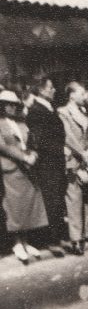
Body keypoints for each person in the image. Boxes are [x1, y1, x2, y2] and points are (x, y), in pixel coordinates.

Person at [0, 90, 46, 263]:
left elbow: (31, 141)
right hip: (11, 169)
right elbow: (4, 147)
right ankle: (17, 243)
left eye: (14, 104)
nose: (11, 107)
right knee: (15, 207)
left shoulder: (21, 123)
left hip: (27, 169)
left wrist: (33, 154)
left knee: (27, 206)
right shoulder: (0, 123)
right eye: (7, 104)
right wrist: (24, 157)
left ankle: (26, 242)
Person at [26, 77, 68, 257]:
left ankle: (58, 236)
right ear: (41, 90)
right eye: (51, 88)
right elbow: (40, 140)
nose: (54, 90)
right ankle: (51, 240)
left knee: (58, 200)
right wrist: (61, 149)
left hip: (56, 161)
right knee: (51, 201)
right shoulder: (35, 111)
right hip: (47, 163)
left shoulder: (49, 108)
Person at [58, 82, 88, 256]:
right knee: (74, 200)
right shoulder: (63, 112)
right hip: (73, 160)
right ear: (72, 95)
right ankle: (76, 239)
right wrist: (82, 153)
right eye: (81, 92)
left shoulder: (84, 112)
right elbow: (68, 137)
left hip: (85, 160)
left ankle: (86, 234)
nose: (84, 95)